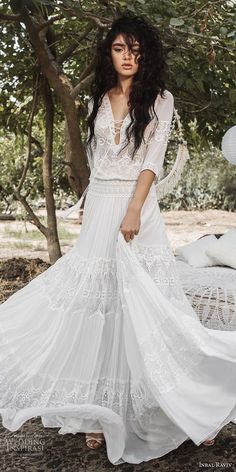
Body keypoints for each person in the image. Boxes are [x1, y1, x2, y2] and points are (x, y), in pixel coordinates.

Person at [0, 12, 236, 466]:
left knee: (149, 304)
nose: (128, 57)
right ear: (109, 53)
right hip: (101, 208)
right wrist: (89, 200)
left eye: (135, 49)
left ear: (145, 54)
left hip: (137, 209)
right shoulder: (96, 99)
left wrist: (132, 210)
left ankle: (183, 407)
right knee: (99, 304)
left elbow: (151, 160)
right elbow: (96, 159)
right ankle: (96, 413)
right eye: (119, 48)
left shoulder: (160, 99)